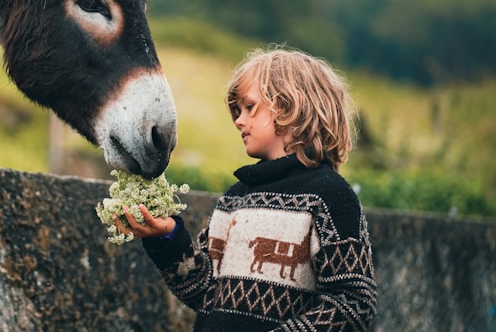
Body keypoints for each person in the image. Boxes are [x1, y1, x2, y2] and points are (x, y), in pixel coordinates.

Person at [116, 47, 377, 331]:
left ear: (293, 107)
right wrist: (168, 238)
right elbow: (204, 291)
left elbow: (354, 303)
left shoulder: (329, 196)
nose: (239, 120)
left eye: (250, 107)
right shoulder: (235, 198)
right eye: (238, 111)